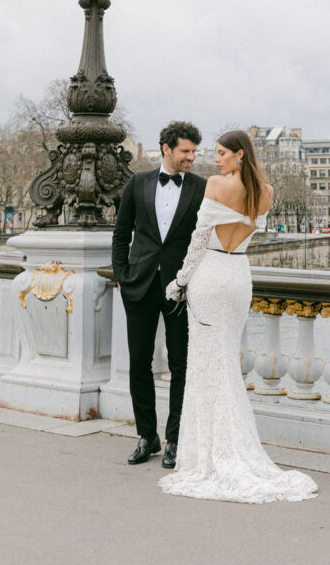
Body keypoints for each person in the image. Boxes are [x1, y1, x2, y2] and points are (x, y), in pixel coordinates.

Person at [159, 130, 318, 503]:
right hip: (239, 276)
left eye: (220, 153)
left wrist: (179, 281)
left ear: (240, 155)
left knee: (206, 365)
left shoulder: (216, 185)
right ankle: (233, 445)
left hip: (212, 275)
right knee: (226, 361)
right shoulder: (266, 191)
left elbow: (199, 239)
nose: (215, 160)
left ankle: (211, 452)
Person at [112, 120, 206, 468]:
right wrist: (122, 276)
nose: (191, 157)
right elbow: (121, 234)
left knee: (181, 366)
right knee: (139, 364)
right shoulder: (137, 183)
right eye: (185, 151)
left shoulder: (202, 187)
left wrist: (191, 282)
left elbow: (205, 241)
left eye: (194, 151)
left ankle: (175, 440)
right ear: (167, 149)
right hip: (139, 286)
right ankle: (146, 437)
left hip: (181, 290)